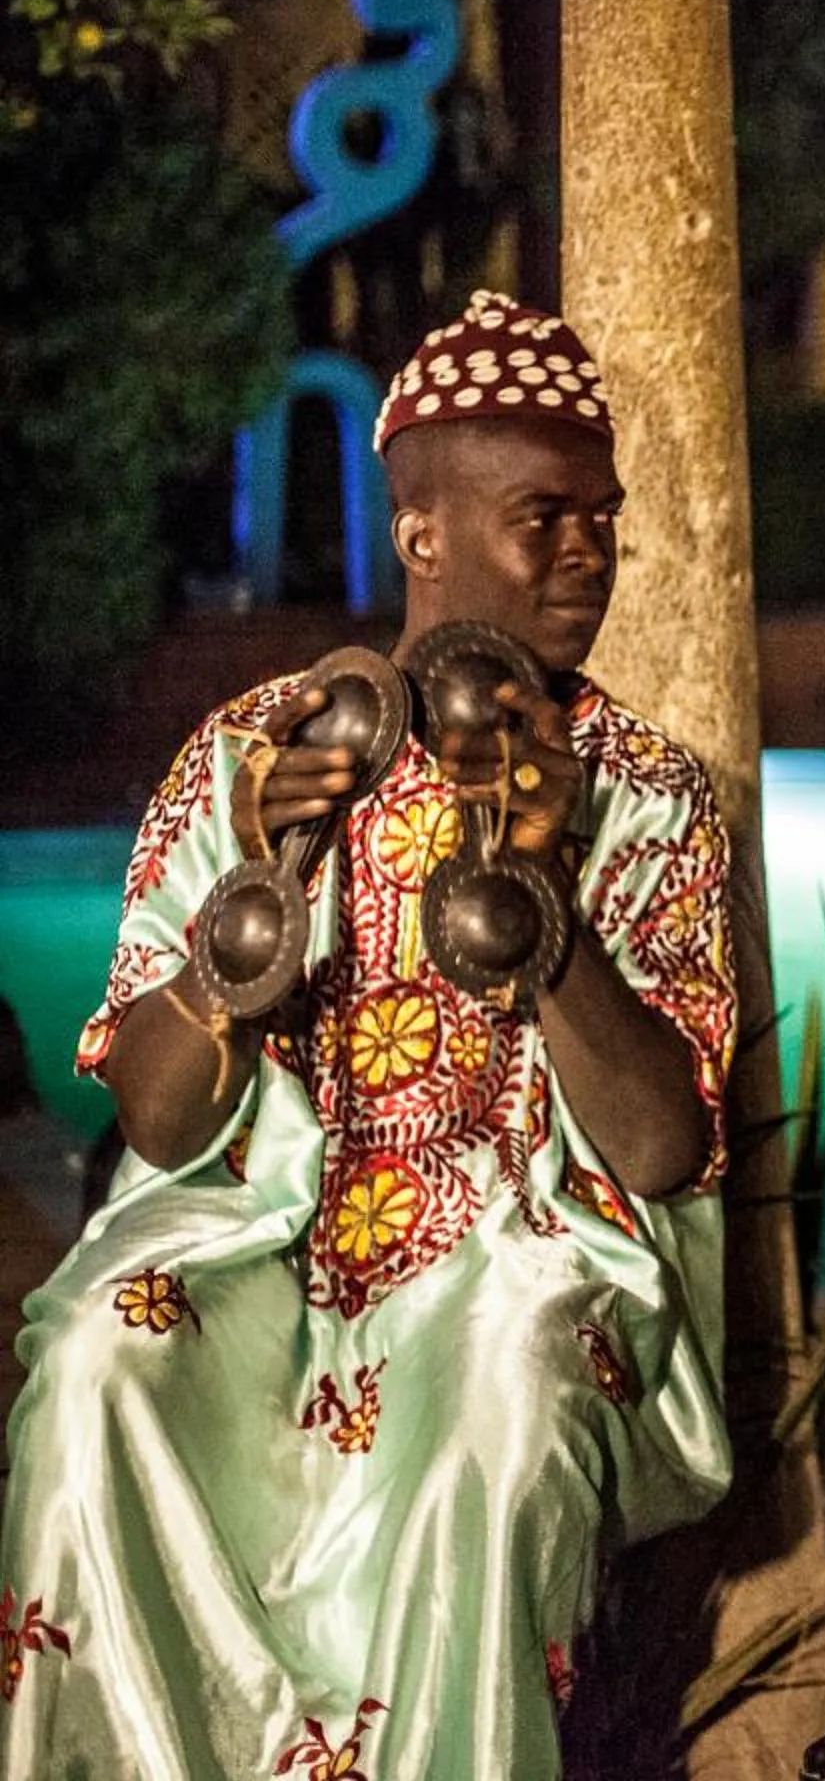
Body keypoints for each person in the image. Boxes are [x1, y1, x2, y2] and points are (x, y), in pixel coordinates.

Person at [0, 293, 735, 1778]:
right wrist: (257, 899)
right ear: (424, 536)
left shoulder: (648, 793)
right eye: (547, 518)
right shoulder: (248, 751)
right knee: (91, 1361)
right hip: (262, 1249)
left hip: (525, 1258)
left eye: (603, 517)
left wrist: (543, 904)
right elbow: (156, 1125)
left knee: (501, 1413)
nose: (590, 551)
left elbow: (661, 1148)